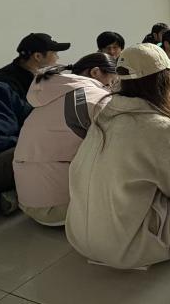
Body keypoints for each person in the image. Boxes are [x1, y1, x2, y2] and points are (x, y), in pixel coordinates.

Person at [66, 43, 170, 269]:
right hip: (128, 247)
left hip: (79, 236)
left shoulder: (103, 114)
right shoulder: (158, 126)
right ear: (162, 80)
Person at [13, 53, 116, 226]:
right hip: (61, 207)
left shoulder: (48, 94)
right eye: (111, 82)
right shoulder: (94, 96)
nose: (111, 89)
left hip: (28, 203)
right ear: (95, 72)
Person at [0, 33, 69, 214]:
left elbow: (32, 116)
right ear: (37, 56)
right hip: (3, 153)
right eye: (54, 53)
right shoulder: (5, 84)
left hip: (12, 146)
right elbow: (1, 137)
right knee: (47, 148)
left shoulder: (30, 81)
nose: (58, 58)